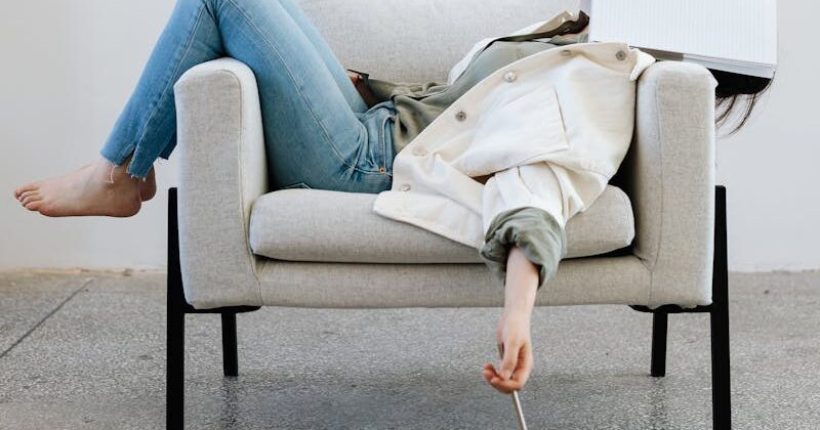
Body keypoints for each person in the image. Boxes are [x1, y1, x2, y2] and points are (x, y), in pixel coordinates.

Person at [12, 0, 773, 395]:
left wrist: (518, 312)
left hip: (367, 162)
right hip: (369, 122)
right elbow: (458, 107)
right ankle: (123, 171)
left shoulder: (604, 82)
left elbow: (540, 181)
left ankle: (119, 175)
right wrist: (367, 86)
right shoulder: (578, 36)